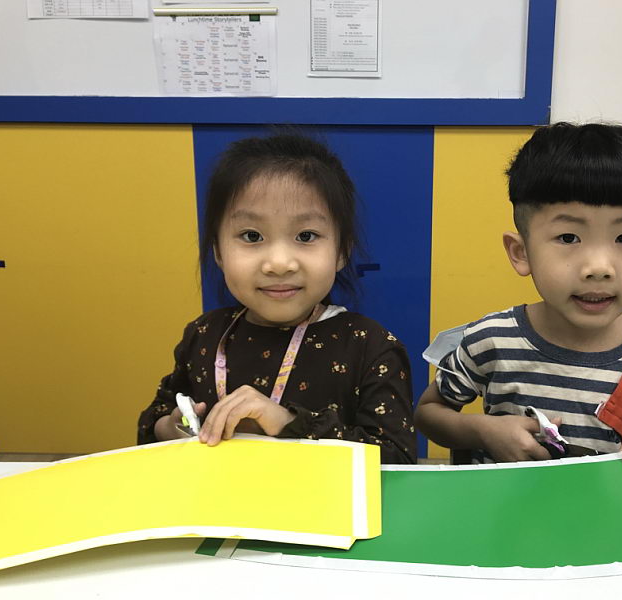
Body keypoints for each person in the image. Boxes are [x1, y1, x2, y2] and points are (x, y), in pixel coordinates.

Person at [415, 122, 622, 475]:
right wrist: (483, 431)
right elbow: (428, 414)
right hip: (509, 508)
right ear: (521, 252)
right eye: (568, 238)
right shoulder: (490, 340)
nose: (599, 268)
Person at [138, 134, 416, 464]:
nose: (279, 263)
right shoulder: (203, 334)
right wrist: (172, 427)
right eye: (252, 236)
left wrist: (287, 423)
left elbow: (396, 460)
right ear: (218, 252)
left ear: (342, 251)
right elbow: (155, 419)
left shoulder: (370, 346)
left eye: (306, 236)